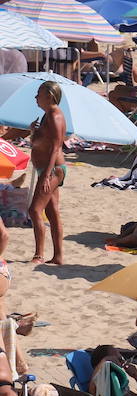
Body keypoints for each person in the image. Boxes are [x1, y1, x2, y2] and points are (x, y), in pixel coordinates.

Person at [28, 80, 65, 265]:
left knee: (34, 210)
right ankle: (58, 256)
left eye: (39, 94)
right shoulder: (47, 115)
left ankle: (39, 255)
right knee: (52, 212)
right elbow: (42, 141)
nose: (36, 97)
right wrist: (33, 131)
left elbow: (56, 146)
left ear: (49, 96)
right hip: (48, 169)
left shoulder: (55, 116)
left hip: (53, 170)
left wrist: (46, 175)